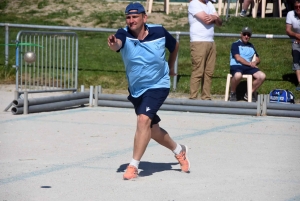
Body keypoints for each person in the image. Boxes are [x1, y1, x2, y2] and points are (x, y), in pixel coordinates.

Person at [107, 2, 190, 180]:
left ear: (145, 17)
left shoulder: (159, 32)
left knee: (143, 120)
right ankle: (179, 150)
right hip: (137, 90)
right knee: (152, 129)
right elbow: (117, 44)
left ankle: (133, 166)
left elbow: (174, 46)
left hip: (158, 84)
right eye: (128, 17)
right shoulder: (123, 34)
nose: (131, 20)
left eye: (135, 16)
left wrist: (171, 66)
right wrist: (113, 43)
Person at [188, 0, 222, 100]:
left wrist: (215, 17)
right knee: (198, 70)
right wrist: (214, 17)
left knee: (209, 72)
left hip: (211, 41)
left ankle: (206, 97)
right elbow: (206, 20)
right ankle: (193, 97)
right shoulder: (194, 3)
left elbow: (220, 22)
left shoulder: (209, 4)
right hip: (198, 41)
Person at [229, 27, 266, 102]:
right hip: (237, 65)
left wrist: (255, 62)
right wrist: (250, 64)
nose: (246, 36)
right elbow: (238, 58)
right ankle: (232, 92)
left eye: (248, 35)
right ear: (241, 34)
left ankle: (249, 93)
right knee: (238, 75)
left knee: (262, 76)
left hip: (248, 67)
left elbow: (258, 58)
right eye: (244, 34)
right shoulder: (235, 44)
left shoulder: (251, 46)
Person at [286, 0, 300, 91]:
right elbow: (288, 30)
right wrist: (296, 35)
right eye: (296, 7)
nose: (298, 9)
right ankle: (299, 82)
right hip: (296, 40)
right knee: (296, 61)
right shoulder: (290, 14)